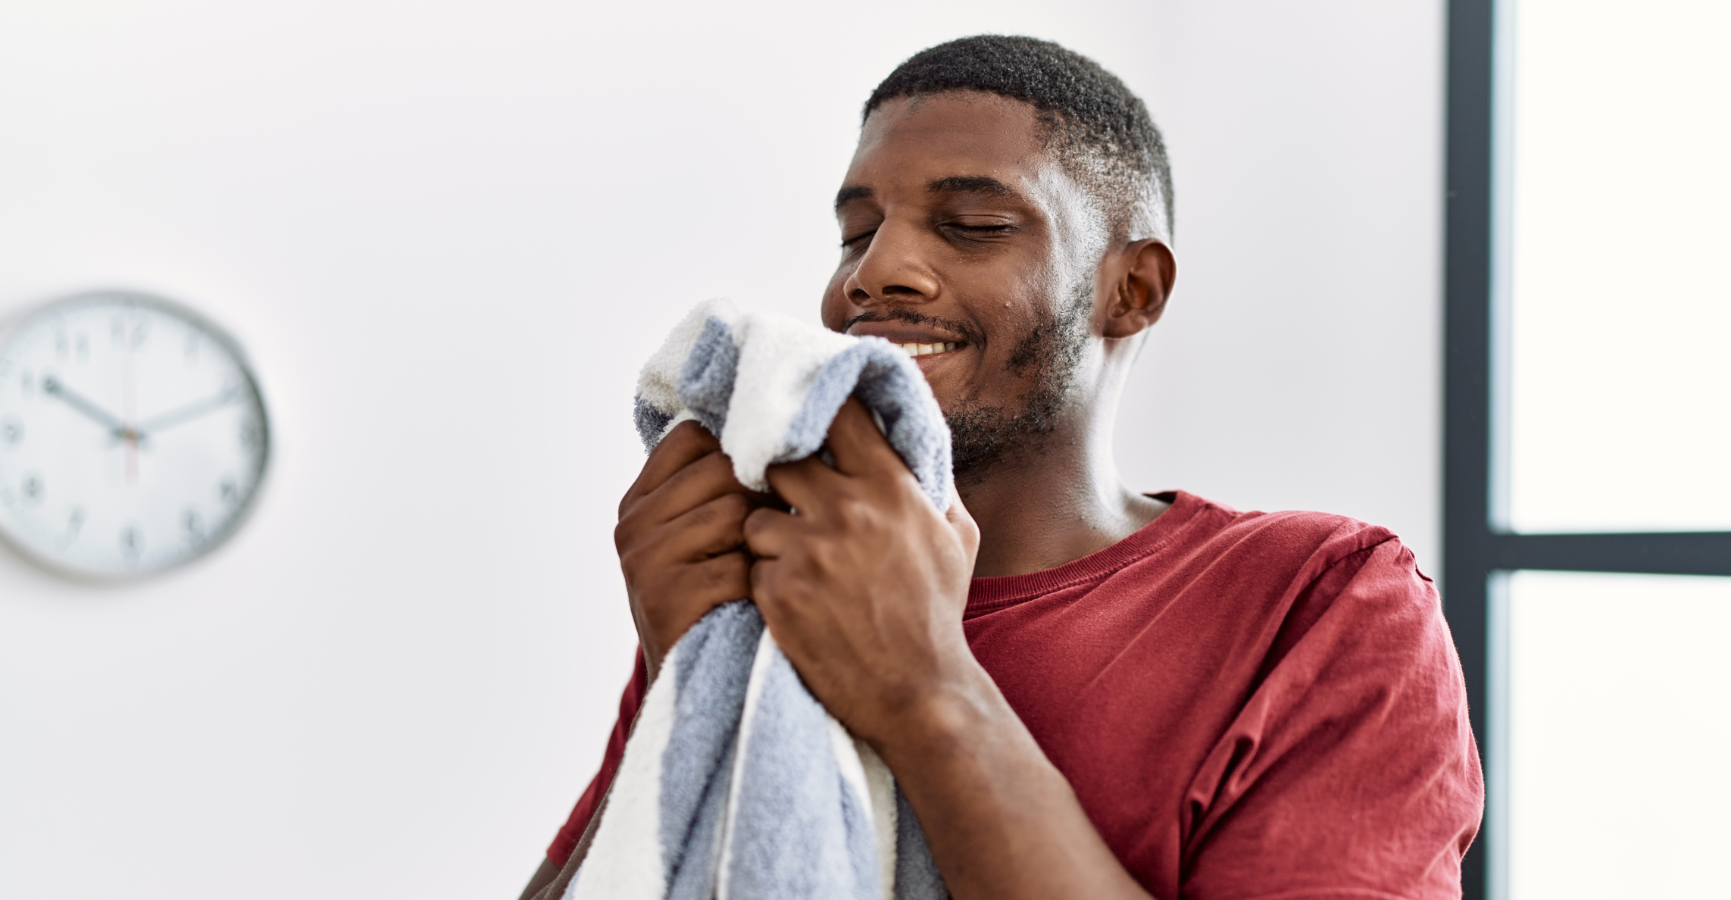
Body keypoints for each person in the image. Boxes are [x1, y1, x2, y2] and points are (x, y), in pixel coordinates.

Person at [521, 35, 1483, 900]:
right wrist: (672, 670)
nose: (874, 272)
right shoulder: (781, 587)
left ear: (1131, 290)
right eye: (856, 233)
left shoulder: (1318, 603)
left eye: (974, 226)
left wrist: (928, 690)